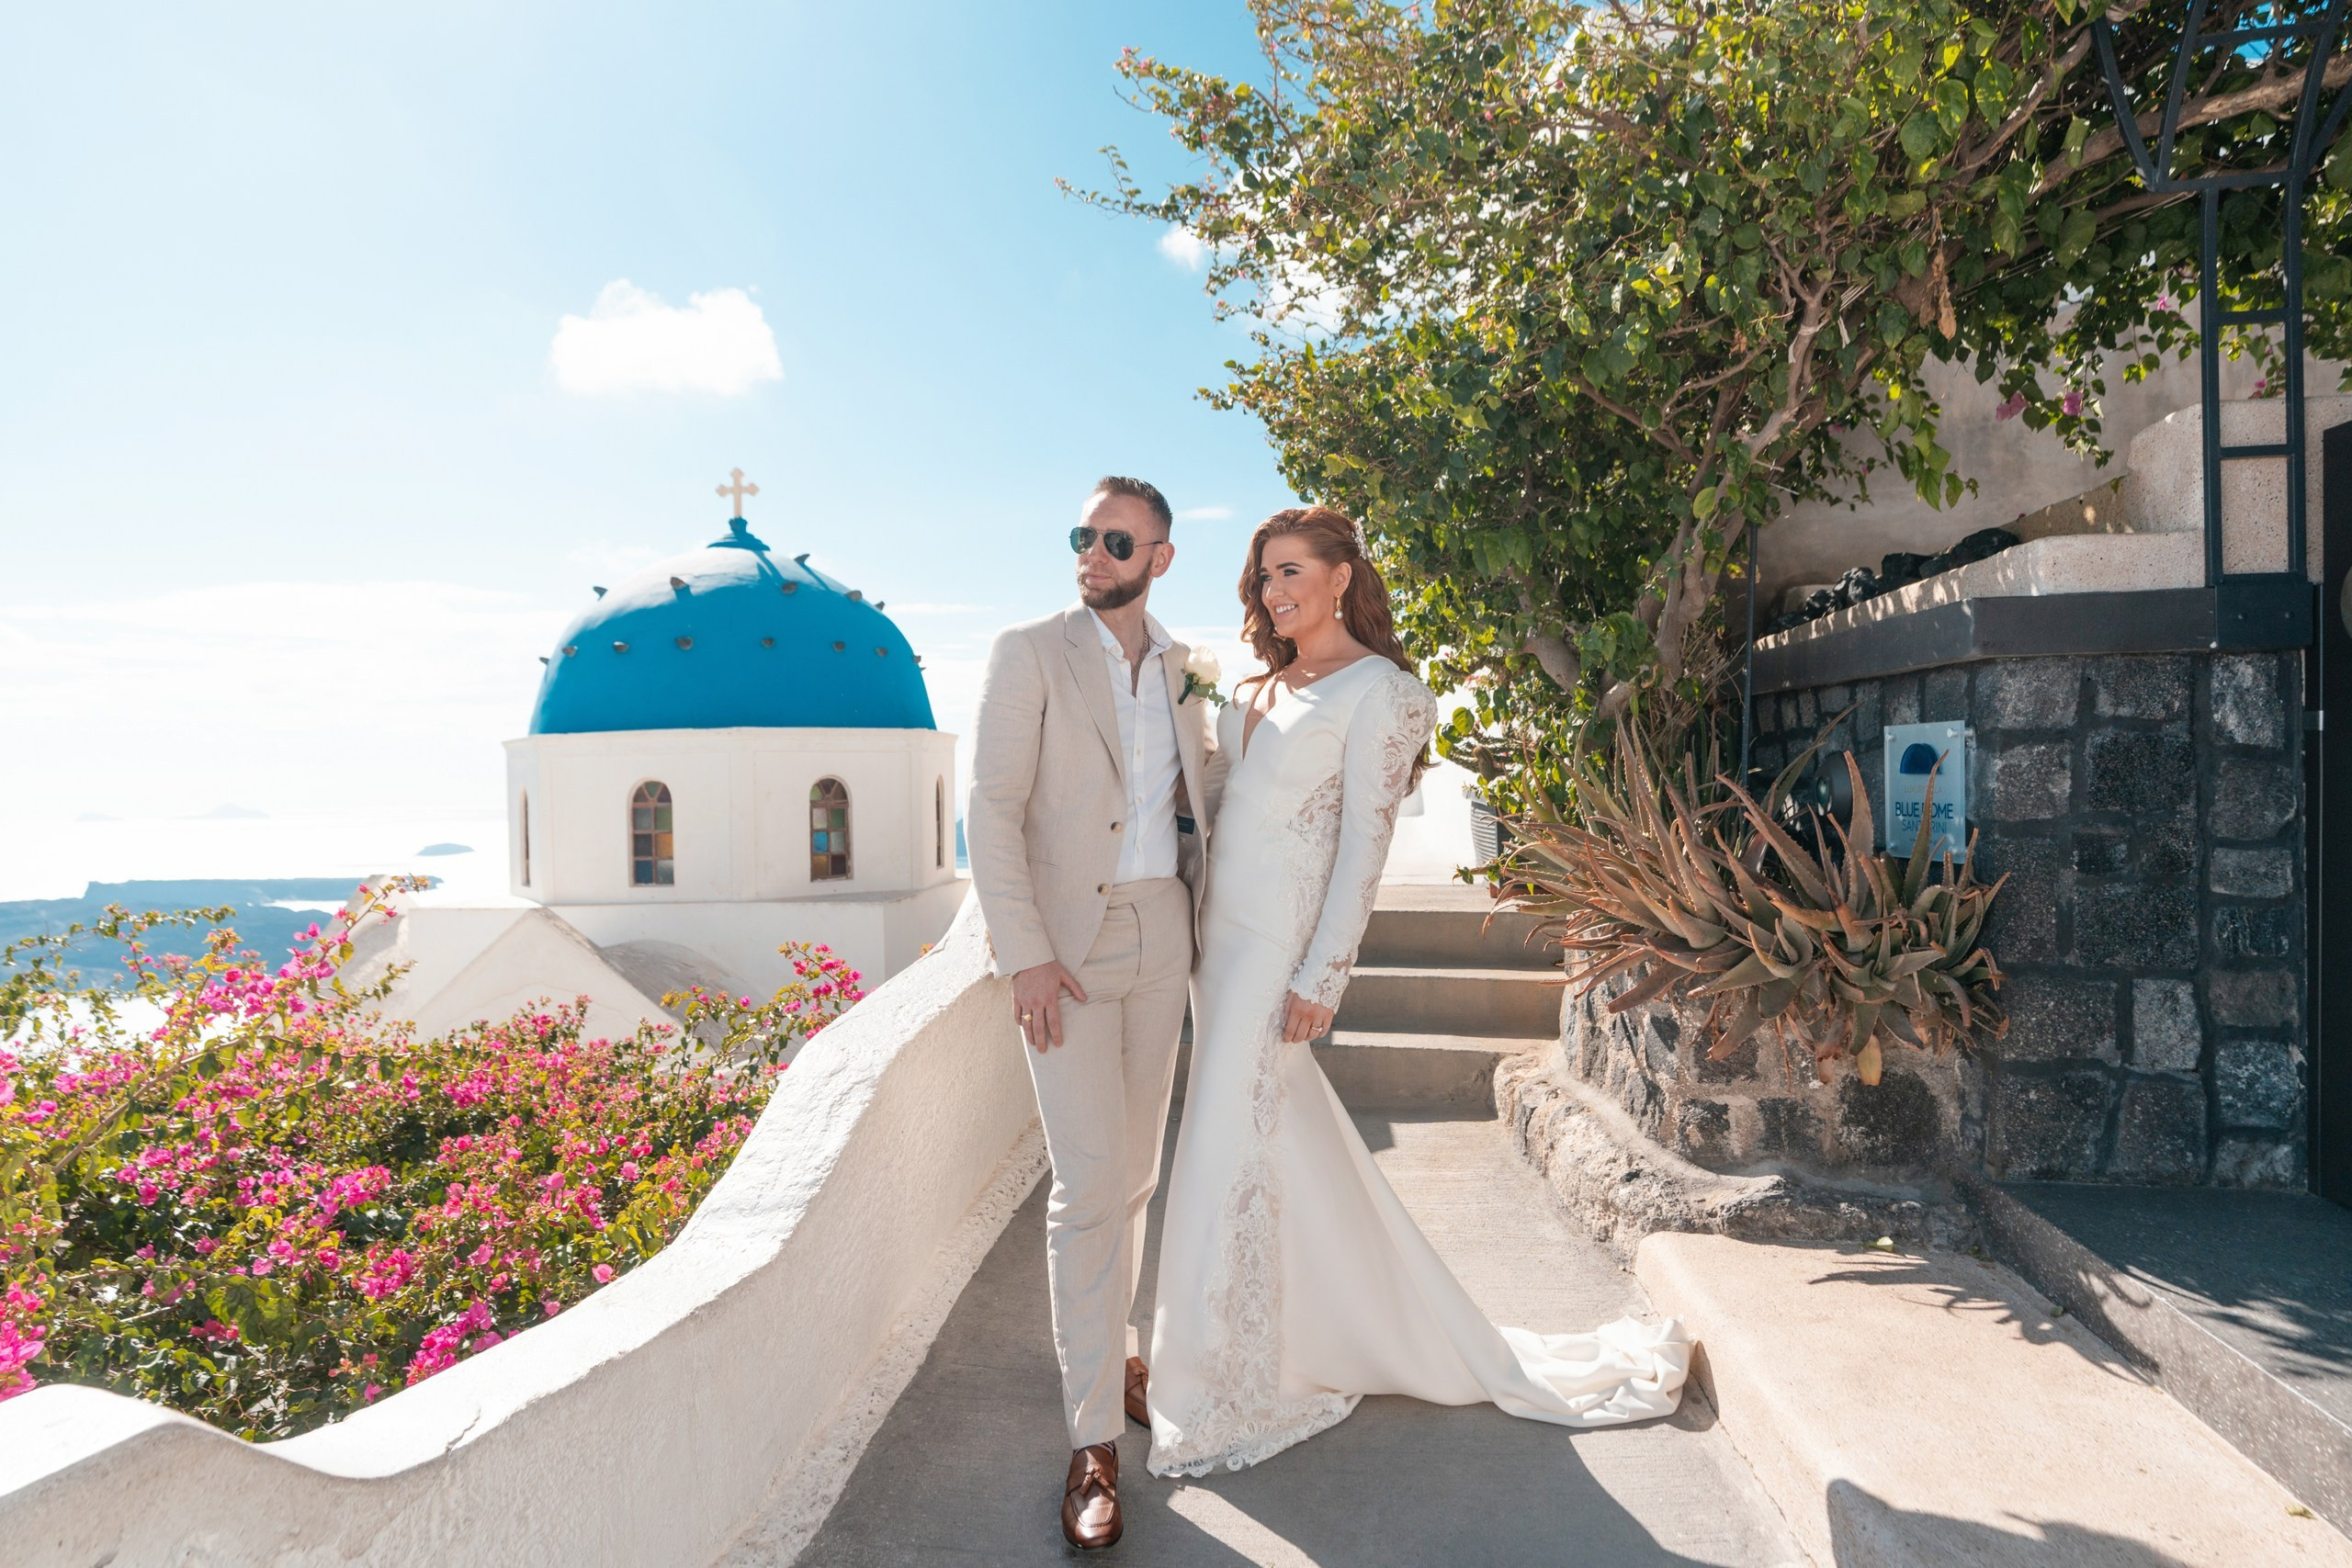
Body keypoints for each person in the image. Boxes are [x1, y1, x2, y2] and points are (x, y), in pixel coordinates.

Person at [1145, 505, 1693, 1479]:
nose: (1273, 591)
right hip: (1213, 944)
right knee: (1254, 1143)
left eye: (1290, 571)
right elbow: (1217, 810)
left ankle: (1217, 1369)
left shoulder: (1385, 693)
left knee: (1230, 1141)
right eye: (1263, 575)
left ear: (1341, 578)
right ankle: (1300, 1328)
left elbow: (1365, 841)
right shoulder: (1261, 687)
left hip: (1276, 949)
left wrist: (1324, 974)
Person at [965, 475, 1222, 1549]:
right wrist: (1024, 955)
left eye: (1117, 540)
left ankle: (1117, 1354)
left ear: (1159, 556)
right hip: (1064, 953)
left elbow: (1206, 787)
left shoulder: (1184, 665)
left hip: (1162, 930)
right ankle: (1088, 1448)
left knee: (1138, 1173)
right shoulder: (1029, 651)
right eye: (1083, 536)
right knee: (1084, 1188)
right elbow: (991, 806)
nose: (1093, 553)